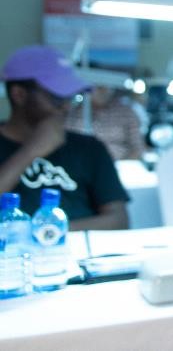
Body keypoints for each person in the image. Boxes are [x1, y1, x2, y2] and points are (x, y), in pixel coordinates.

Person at [0, 45, 129, 230]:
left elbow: (118, 220)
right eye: (57, 98)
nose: (67, 107)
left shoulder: (89, 148)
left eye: (72, 98)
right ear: (19, 95)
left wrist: (46, 232)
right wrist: (31, 151)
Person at [66, 85, 146, 160]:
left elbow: (138, 148)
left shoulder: (127, 112)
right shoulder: (73, 112)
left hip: (118, 166)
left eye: (105, 86)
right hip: (80, 166)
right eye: (98, 86)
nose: (102, 90)